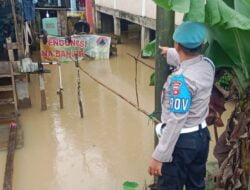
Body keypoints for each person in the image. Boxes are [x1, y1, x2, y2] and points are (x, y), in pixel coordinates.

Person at [148, 21, 215, 190]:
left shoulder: (180, 81)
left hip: (182, 143)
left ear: (177, 45)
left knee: (169, 186)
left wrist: (159, 156)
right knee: (196, 184)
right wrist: (170, 52)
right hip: (201, 137)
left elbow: (176, 121)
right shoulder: (208, 65)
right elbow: (190, 60)